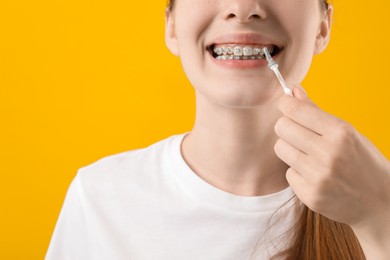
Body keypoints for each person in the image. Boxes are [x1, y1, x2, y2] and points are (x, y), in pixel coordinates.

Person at [46, 0, 390, 259]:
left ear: (322, 27)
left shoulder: (373, 194)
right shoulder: (98, 198)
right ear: (172, 27)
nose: (242, 9)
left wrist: (379, 213)